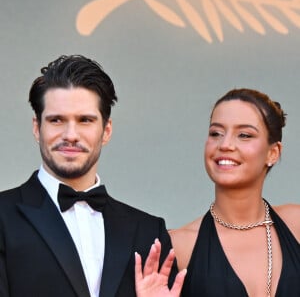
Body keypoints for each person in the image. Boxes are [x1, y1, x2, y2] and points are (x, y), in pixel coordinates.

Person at [0, 54, 177, 297]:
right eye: (56, 120)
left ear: (106, 131)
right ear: (36, 128)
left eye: (85, 120)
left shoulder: (147, 231)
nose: (71, 134)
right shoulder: (3, 218)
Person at [135, 88, 300, 297]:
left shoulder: (296, 225)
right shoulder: (179, 246)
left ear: (272, 153)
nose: (225, 144)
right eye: (216, 133)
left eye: (244, 135)